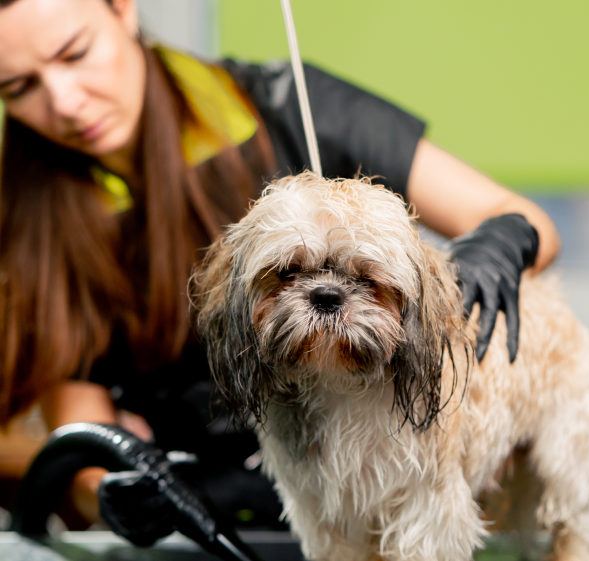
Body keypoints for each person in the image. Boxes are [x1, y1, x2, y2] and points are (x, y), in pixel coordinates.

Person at [0, 0, 560, 542]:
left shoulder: (295, 106)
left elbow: (528, 220)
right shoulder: (32, 207)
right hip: (208, 516)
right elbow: (80, 424)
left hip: (375, 486)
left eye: (75, 53)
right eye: (17, 88)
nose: (66, 102)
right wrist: (117, 494)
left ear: (123, 8)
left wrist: (502, 238)